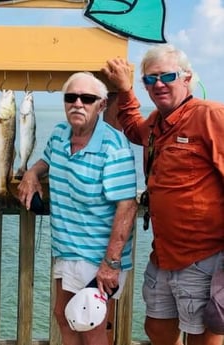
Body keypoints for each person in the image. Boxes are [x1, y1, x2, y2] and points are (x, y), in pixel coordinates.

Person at [102, 44, 224, 345]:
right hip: (164, 254)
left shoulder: (211, 116)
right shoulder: (156, 121)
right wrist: (124, 89)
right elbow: (133, 128)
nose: (158, 84)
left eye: (167, 76)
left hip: (204, 254)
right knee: (156, 328)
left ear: (186, 77)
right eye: (149, 79)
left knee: (203, 334)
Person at [17, 72, 138, 345]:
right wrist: (32, 174)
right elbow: (46, 160)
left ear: (102, 105)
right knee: (64, 315)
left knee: (90, 324)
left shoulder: (114, 146)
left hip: (97, 254)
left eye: (87, 98)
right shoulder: (61, 134)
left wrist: (110, 263)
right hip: (67, 248)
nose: (78, 104)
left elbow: (127, 207)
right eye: (71, 98)